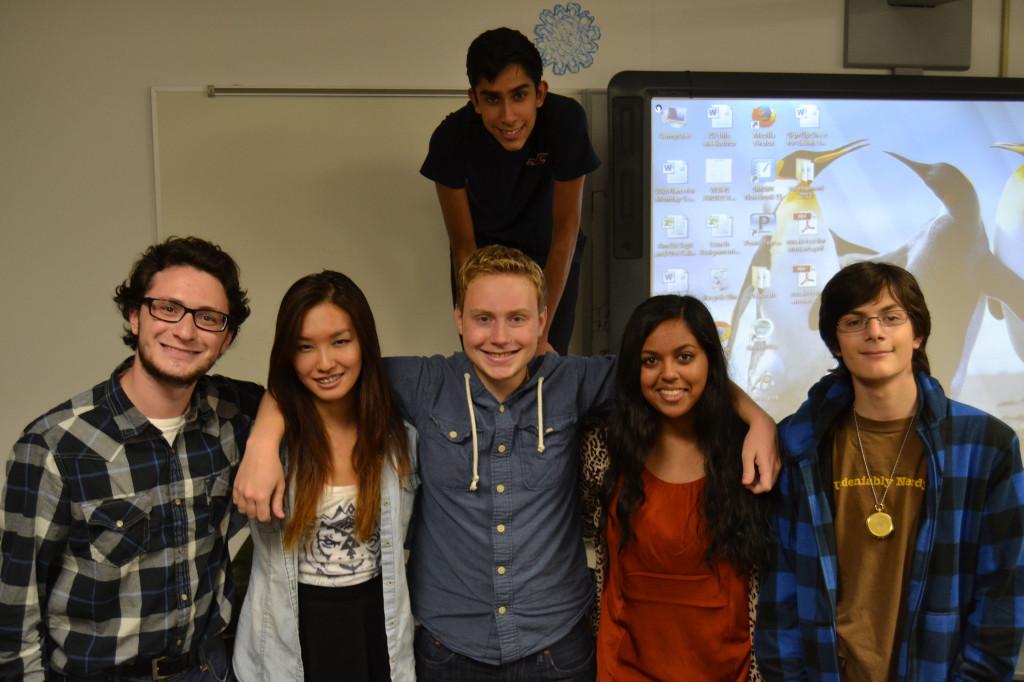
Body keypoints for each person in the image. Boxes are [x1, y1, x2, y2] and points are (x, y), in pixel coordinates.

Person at [234, 245, 779, 681]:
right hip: (449, 649)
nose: (500, 337)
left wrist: (757, 419)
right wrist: (263, 441)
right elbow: (319, 370)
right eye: (483, 318)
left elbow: (674, 369)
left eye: (517, 319)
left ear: (543, 320)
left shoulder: (575, 382)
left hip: (556, 649)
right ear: (458, 318)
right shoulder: (421, 382)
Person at [0, 236, 261, 681]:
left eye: (208, 318)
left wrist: (266, 448)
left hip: (208, 669)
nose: (185, 330)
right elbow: (15, 620)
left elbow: (301, 395)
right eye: (168, 308)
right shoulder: (54, 448)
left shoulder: (233, 416)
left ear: (226, 338)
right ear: (135, 315)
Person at [756, 261, 1024, 681]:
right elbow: (781, 592)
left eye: (891, 318)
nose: (874, 332)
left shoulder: (987, 445)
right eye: (854, 321)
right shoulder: (799, 445)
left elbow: (1003, 596)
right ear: (835, 344)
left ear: (916, 335)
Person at [232, 271, 417, 682]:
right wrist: (262, 440)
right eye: (305, 347)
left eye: (340, 341)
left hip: (377, 633)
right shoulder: (268, 441)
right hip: (288, 642)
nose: (325, 363)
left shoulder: (401, 437)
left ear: (363, 342)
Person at [580, 295, 772, 681]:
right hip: (626, 668)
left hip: (728, 669)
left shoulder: (748, 451)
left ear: (709, 362)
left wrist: (760, 419)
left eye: (685, 357)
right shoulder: (603, 448)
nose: (668, 374)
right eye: (651, 361)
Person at [420, 27, 600, 354]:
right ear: (474, 99)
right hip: (484, 254)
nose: (507, 116)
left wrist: (542, 329)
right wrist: (480, 319)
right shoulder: (451, 138)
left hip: (549, 248)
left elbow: (566, 231)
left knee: (544, 358)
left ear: (540, 94)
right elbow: (463, 246)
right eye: (492, 98)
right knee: (489, 351)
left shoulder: (566, 122)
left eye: (519, 95)